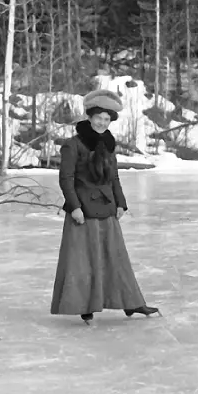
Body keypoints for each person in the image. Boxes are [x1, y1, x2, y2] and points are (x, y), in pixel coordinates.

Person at [51, 89, 160, 325]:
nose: (102, 122)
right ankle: (85, 307)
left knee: (116, 258)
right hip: (83, 210)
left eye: (107, 119)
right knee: (83, 260)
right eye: (99, 117)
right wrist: (75, 207)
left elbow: (114, 177)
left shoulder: (109, 144)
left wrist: (121, 203)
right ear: (90, 117)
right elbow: (66, 179)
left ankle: (131, 303)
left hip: (107, 208)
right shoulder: (73, 145)